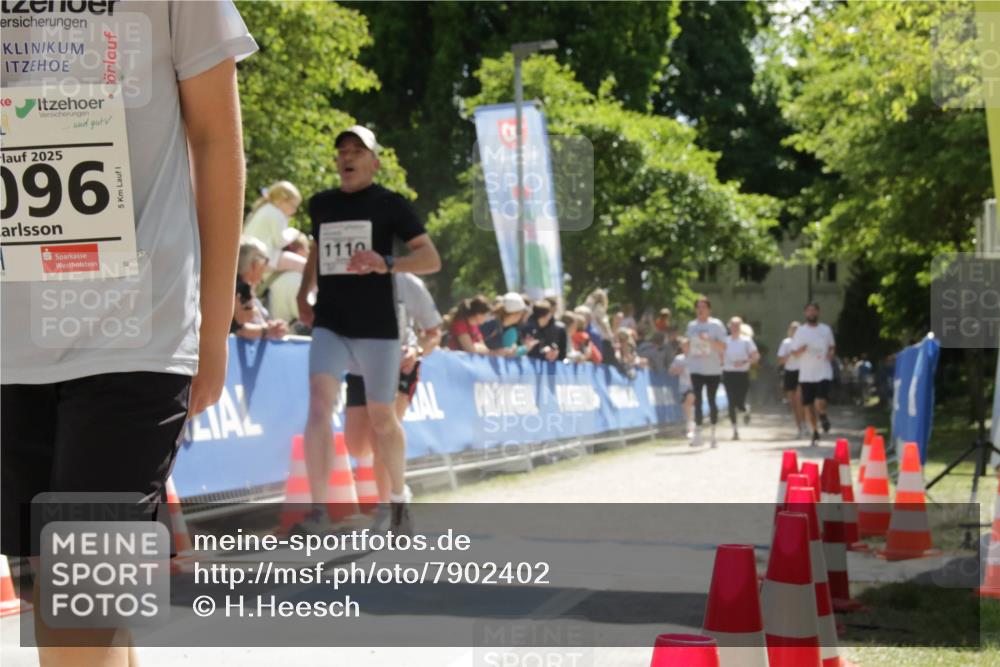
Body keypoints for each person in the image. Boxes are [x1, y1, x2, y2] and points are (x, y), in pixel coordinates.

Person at [1, 3, 257, 665]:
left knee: (77, 603)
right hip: (10, 343)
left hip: (136, 330)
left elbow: (214, 142)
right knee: (67, 605)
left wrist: (213, 324)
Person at [296, 125, 441, 539]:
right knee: (320, 406)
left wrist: (387, 262)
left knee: (383, 419)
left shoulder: (391, 205)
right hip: (331, 322)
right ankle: (318, 510)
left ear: (374, 162)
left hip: (378, 327)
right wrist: (305, 294)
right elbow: (318, 248)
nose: (347, 157)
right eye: (342, 150)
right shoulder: (320, 204)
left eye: (357, 151)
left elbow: (431, 259)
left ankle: (397, 500)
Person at [343, 272, 442, 509]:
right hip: (359, 369)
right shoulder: (342, 281)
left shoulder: (407, 282)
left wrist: (416, 351)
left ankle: (393, 502)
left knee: (382, 433)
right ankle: (394, 491)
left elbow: (434, 333)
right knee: (357, 445)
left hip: (400, 364)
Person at [684, 296, 728, 447]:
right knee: (698, 400)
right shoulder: (691, 326)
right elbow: (688, 346)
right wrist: (686, 346)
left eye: (703, 307)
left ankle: (713, 434)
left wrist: (708, 340)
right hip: (696, 368)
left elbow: (723, 346)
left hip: (713, 369)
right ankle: (698, 434)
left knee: (711, 400)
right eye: (698, 307)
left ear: (709, 309)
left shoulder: (716, 325)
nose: (700, 309)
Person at [790, 302, 836, 446]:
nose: (811, 313)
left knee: (819, 401)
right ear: (805, 314)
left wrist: (830, 354)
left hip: (823, 371)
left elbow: (832, 347)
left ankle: (822, 414)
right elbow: (794, 352)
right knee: (808, 405)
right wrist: (801, 350)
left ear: (818, 313)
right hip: (806, 374)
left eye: (814, 311)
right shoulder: (800, 332)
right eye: (809, 311)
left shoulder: (825, 330)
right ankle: (815, 431)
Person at [232, 237, 290, 341]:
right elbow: (237, 327)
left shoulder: (244, 291)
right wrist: (268, 331)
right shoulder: (236, 291)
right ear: (255, 264)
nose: (266, 268)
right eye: (265, 262)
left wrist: (270, 327)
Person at [243, 180, 306, 272]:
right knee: (306, 266)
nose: (294, 211)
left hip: (251, 259)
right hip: (266, 259)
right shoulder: (276, 213)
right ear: (282, 200)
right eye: (293, 206)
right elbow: (280, 241)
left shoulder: (262, 209)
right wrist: (294, 232)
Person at [722, 316, 760, 440]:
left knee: (740, 402)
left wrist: (744, 361)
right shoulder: (724, 341)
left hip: (742, 374)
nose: (735, 327)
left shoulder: (746, 341)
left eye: (737, 325)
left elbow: (755, 356)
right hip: (728, 374)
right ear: (729, 326)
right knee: (731, 402)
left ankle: (746, 409)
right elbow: (719, 354)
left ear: (741, 327)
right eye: (732, 325)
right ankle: (735, 430)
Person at [266, 230, 310, 328]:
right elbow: (306, 314)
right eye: (306, 248)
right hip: (293, 339)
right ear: (299, 249)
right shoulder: (297, 279)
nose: (308, 252)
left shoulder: (269, 277)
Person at [777, 322, 805, 436]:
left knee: (800, 400)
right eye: (793, 329)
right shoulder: (786, 342)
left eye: (797, 329)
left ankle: (804, 423)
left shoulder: (804, 342)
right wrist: (790, 354)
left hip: (802, 372)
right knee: (793, 403)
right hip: (789, 373)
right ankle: (799, 428)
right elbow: (780, 361)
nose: (795, 331)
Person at [669, 338, 697, 445]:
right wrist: (676, 371)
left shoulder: (696, 358)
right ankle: (692, 425)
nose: (686, 348)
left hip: (694, 386)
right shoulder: (678, 359)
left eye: (687, 345)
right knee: (687, 407)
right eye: (683, 346)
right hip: (683, 387)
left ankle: (690, 427)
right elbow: (670, 371)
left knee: (688, 403)